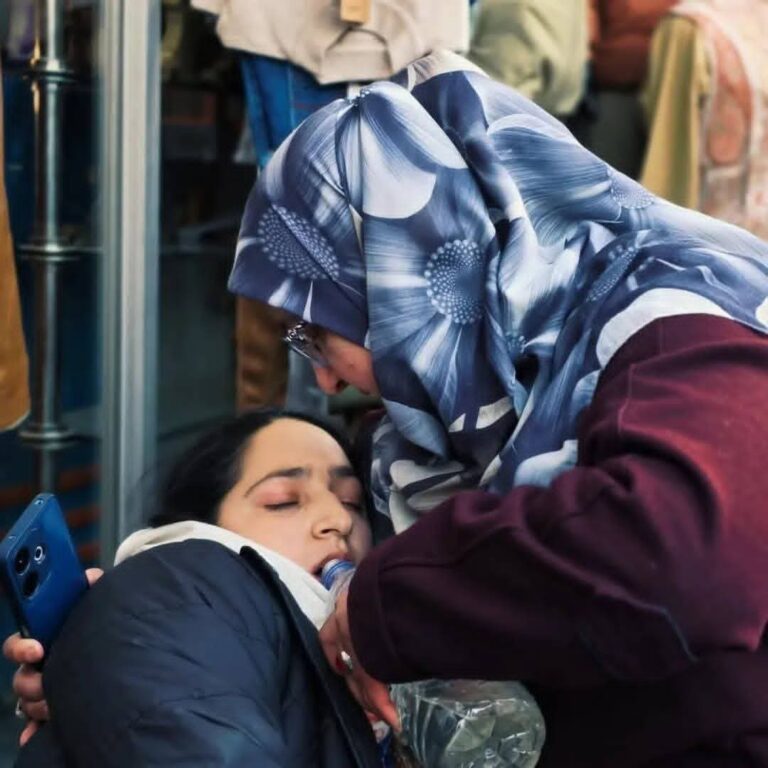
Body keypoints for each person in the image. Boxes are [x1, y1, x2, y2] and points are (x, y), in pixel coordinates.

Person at [9, 49, 768, 766]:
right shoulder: (469, 432)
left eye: (317, 331)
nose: (325, 380)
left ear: (406, 277)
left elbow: (685, 561)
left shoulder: (681, 323)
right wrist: (115, 653)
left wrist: (384, 609)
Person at [8, 409, 381, 767]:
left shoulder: (368, 654)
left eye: (353, 502)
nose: (339, 520)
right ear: (204, 523)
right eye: (283, 501)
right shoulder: (175, 586)